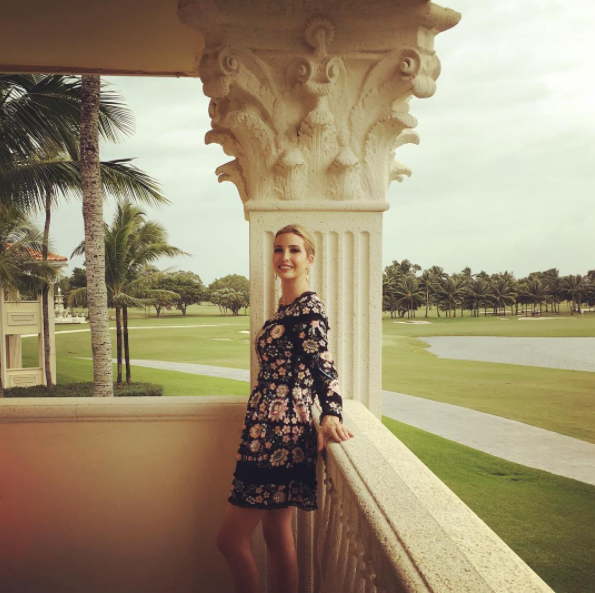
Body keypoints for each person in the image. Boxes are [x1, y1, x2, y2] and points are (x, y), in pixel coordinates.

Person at [216, 224, 355, 593]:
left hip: (279, 436)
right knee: (277, 534)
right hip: (270, 429)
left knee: (229, 540)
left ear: (310, 259)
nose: (285, 257)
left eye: (294, 250)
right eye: (279, 249)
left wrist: (332, 413)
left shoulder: (308, 309)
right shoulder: (285, 309)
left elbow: (324, 366)